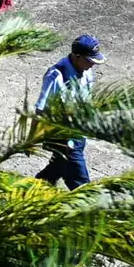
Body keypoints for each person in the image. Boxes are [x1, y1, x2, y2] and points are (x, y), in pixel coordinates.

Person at [36, 35, 102, 187]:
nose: (92, 65)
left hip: (78, 132)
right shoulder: (56, 76)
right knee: (80, 182)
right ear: (77, 56)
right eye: (89, 60)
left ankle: (30, 191)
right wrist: (31, 139)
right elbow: (40, 109)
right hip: (63, 137)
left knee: (57, 167)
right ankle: (91, 207)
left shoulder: (86, 71)